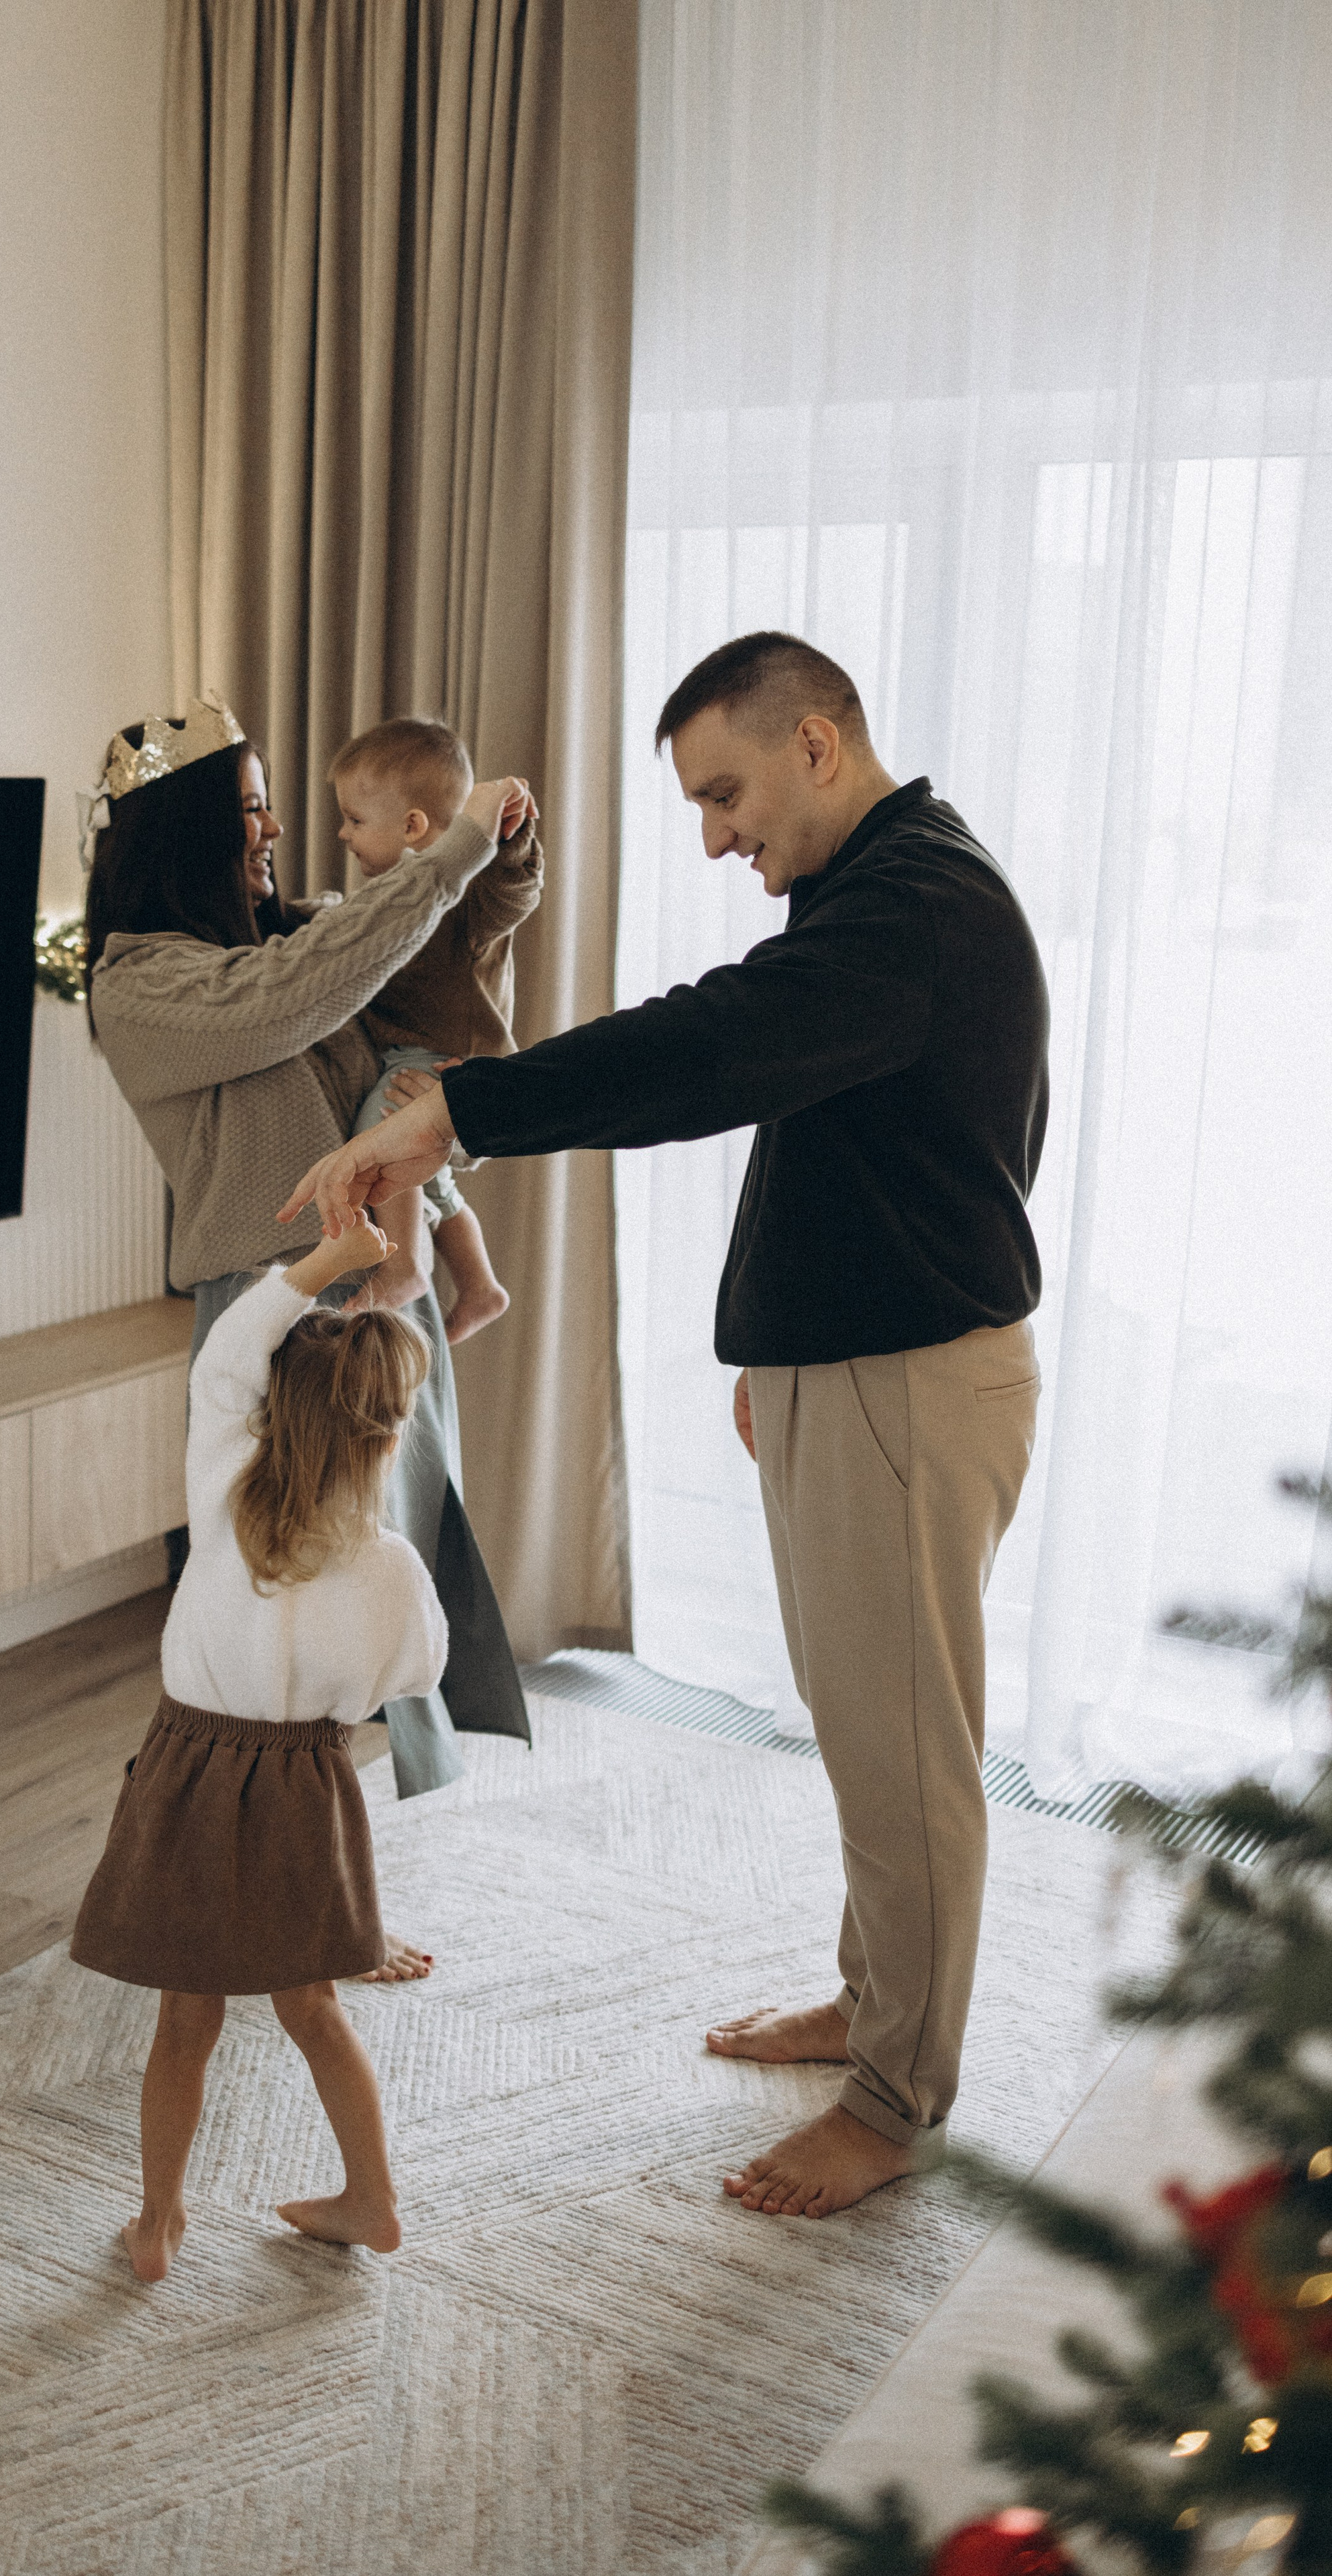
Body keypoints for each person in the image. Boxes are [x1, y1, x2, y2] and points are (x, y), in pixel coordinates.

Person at [279, 631, 1052, 2220]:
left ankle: (895, 2100)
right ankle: (875, 2004)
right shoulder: (873, 889)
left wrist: (453, 1110)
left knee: (905, 1756)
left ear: (815, 743)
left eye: (723, 792)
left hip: (907, 1381)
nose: (711, 836)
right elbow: (840, 1138)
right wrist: (778, 1340)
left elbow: (707, 1047)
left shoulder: (910, 907)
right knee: (862, 1723)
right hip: (862, 1362)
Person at [80, 701, 533, 1920]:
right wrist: (450, 850)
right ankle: (233, 1895)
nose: (274, 828)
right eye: (249, 807)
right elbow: (294, 994)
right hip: (275, 1322)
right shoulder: (143, 983)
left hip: (378, 1304)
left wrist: (502, 853)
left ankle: (325, 1894)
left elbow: (445, 966)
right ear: (188, 831)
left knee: (381, 1594)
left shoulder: (301, 935)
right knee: (273, 1629)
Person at [70, 1216, 437, 2277]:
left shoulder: (225, 1486)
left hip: (190, 1773)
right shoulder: (389, 1566)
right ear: (385, 1437)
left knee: (185, 2020)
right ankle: (371, 2198)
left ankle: (157, 2224)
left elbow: (226, 1358)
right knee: (314, 2009)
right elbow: (411, 1676)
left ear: (273, 1411)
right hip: (305, 1783)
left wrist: (322, 1263)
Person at [328, 715, 544, 1345]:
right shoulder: (381, 899)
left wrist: (510, 840)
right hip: (406, 1054)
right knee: (431, 1174)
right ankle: (480, 1287)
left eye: (355, 820)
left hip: (443, 1058)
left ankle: (404, 1268)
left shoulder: (462, 899)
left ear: (413, 827)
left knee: (383, 1134)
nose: (342, 833)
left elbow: (514, 893)